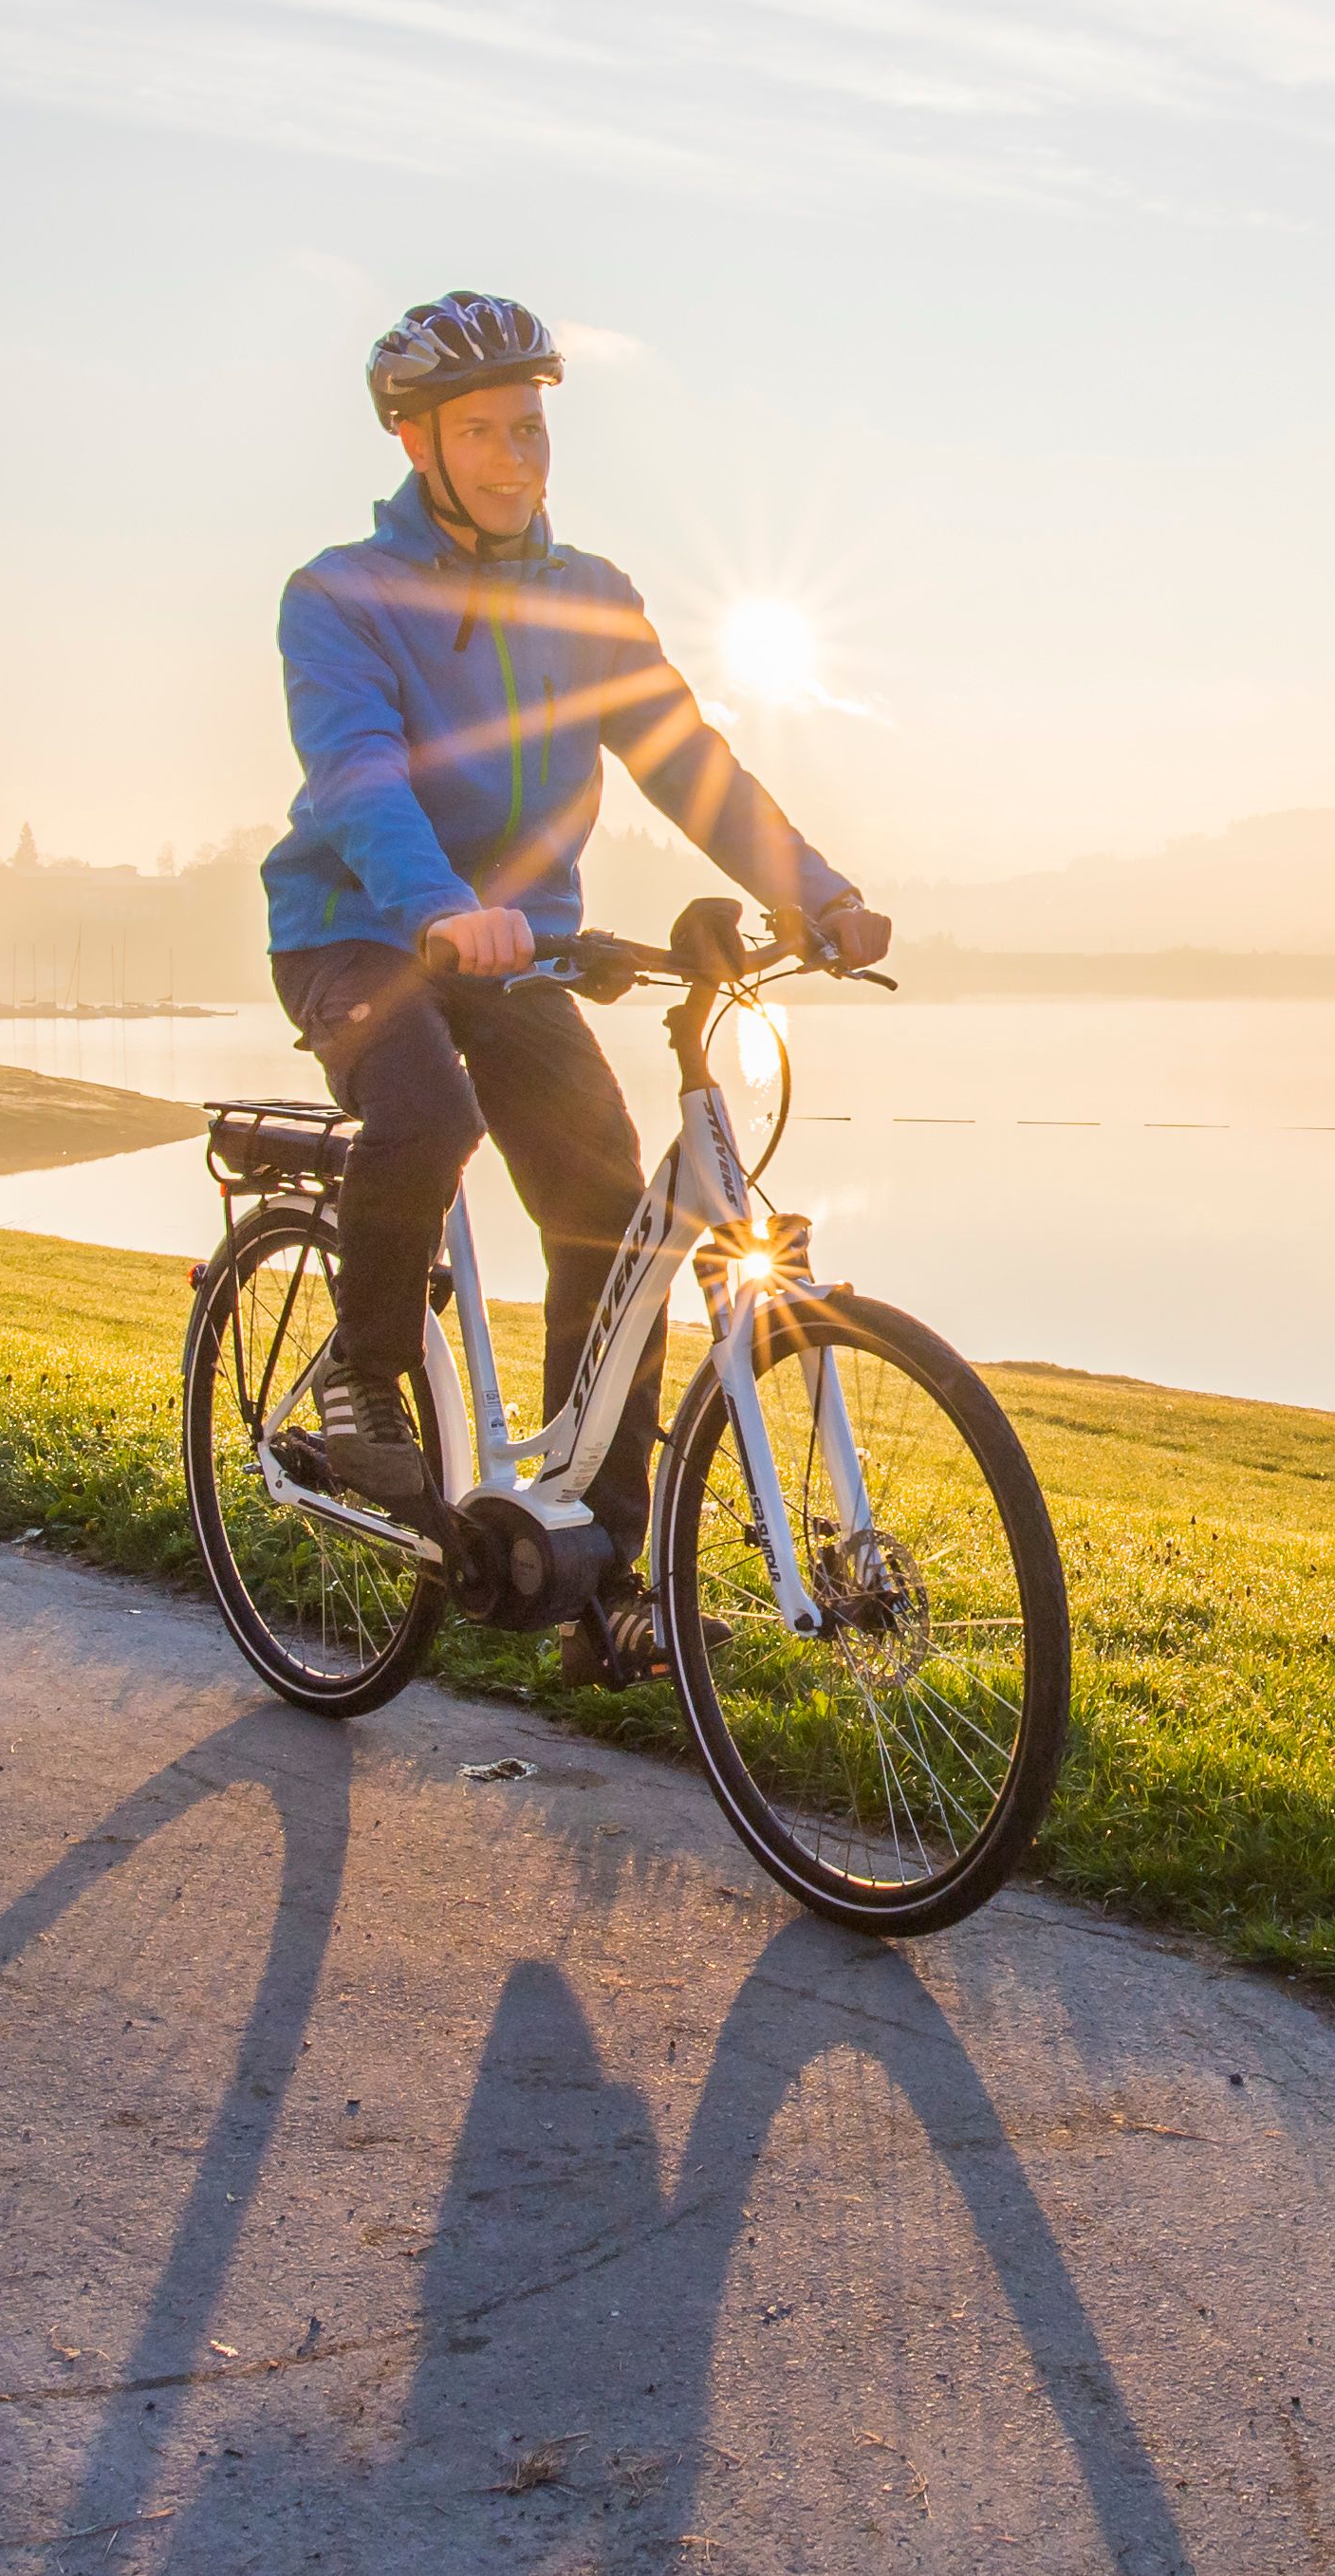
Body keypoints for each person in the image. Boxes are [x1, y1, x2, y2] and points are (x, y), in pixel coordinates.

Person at [268, 290, 890, 1674]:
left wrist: (819, 892)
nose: (515, 457)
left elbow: (688, 761)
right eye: (483, 432)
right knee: (427, 1114)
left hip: (519, 948)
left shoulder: (589, 596)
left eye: (531, 428)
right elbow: (358, 776)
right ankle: (363, 1372)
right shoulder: (341, 595)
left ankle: (604, 1572)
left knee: (612, 1220)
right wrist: (442, 907)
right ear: (418, 443)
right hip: (359, 928)